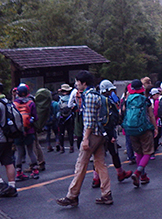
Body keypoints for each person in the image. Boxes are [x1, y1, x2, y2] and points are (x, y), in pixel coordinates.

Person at [56, 70, 113, 207]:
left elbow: (89, 121)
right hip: (100, 133)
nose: (76, 84)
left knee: (81, 164)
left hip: (92, 134)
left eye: (77, 82)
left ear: (84, 83)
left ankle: (72, 195)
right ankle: (107, 194)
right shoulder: (97, 95)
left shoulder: (88, 97)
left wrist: (85, 138)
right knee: (100, 164)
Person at [91, 81, 133, 188]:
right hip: (108, 131)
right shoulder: (108, 102)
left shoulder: (95, 100)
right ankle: (120, 173)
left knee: (97, 156)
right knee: (114, 153)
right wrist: (113, 134)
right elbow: (114, 118)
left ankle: (96, 178)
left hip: (96, 131)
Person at [123, 79, 158, 188]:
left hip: (131, 129)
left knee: (138, 153)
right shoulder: (145, 100)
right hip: (144, 128)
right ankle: (138, 173)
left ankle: (143, 177)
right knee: (147, 152)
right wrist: (155, 128)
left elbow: (123, 111)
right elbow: (151, 115)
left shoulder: (128, 99)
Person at [13, 84, 38, 181]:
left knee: (19, 152)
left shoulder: (14, 104)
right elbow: (35, 117)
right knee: (30, 151)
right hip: (29, 130)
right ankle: (35, 171)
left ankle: (19, 172)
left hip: (18, 131)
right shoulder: (31, 103)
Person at [56, 84, 74, 153]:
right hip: (69, 117)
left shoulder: (59, 98)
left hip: (61, 117)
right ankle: (71, 147)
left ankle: (61, 147)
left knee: (61, 132)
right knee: (70, 132)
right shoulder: (70, 98)